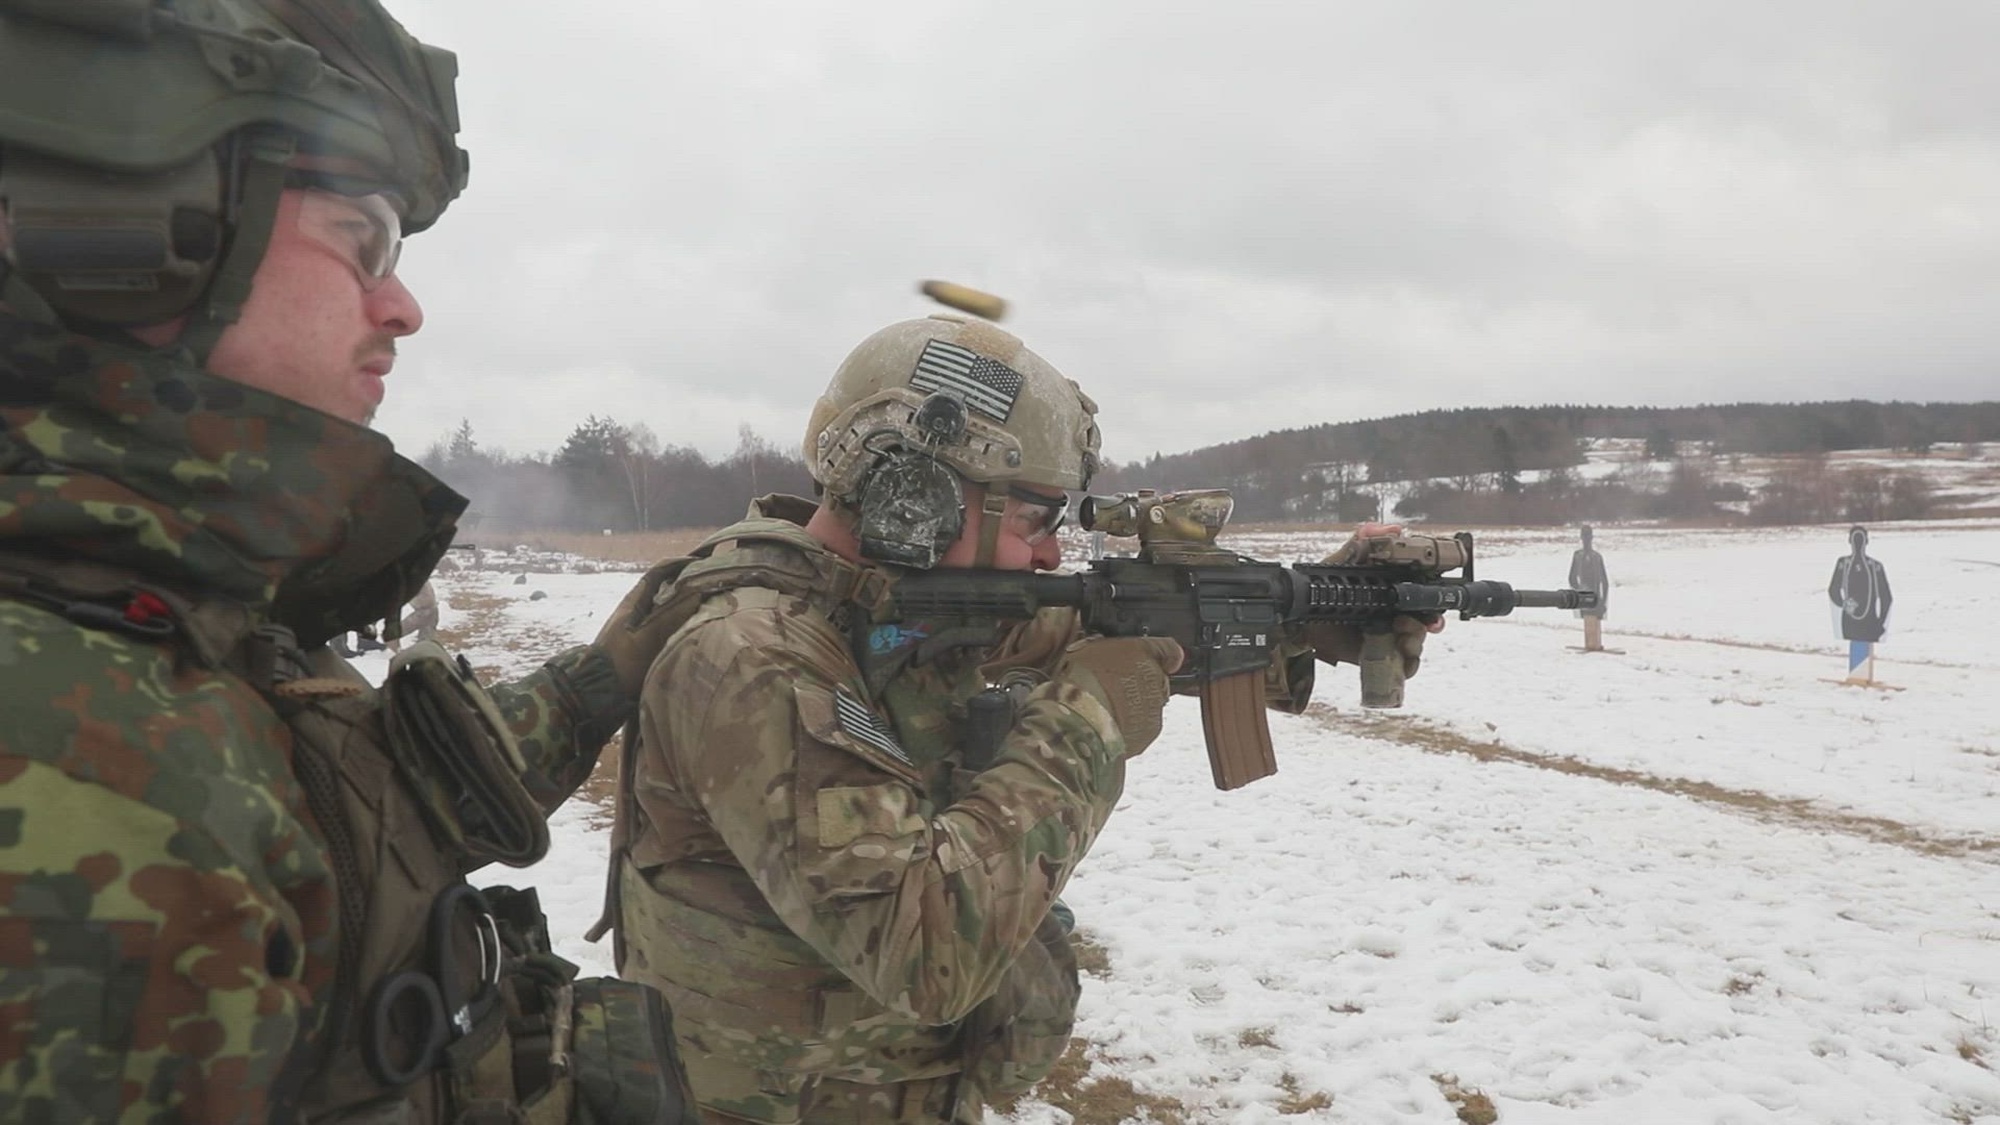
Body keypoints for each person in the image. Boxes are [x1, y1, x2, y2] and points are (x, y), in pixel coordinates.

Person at [0, 4, 695, 1122]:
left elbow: (370, 803)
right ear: (143, 218)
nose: (403, 306)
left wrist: (599, 679)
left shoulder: (168, 615)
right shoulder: (82, 769)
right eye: (359, 239)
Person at [592, 315, 1433, 1123]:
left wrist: (1326, 603)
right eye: (1035, 516)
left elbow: (1128, 628)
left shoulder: (896, 607)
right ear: (915, 495)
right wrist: (1086, 722)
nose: (1052, 554)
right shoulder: (751, 658)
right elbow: (924, 951)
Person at [1828, 524, 1892, 682]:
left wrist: (1881, 621)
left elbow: (1886, 597)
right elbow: (1833, 590)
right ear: (1849, 541)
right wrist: (1846, 606)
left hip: (1870, 620)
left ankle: (1861, 676)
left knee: (1863, 645)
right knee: (1856, 643)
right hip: (1850, 620)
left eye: (1861, 539)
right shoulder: (1843, 564)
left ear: (1867, 542)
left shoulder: (1875, 567)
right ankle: (1856, 676)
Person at [1567, 524, 1611, 652]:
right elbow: (1572, 577)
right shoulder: (1577, 556)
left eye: (1588, 537)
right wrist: (1579, 593)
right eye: (1584, 537)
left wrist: (1603, 600)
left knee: (1595, 619)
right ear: (1581, 538)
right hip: (1583, 597)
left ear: (1592, 538)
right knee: (1587, 619)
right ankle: (1590, 644)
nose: (1586, 540)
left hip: (1596, 596)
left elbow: (1605, 580)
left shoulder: (1597, 557)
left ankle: (1595, 644)